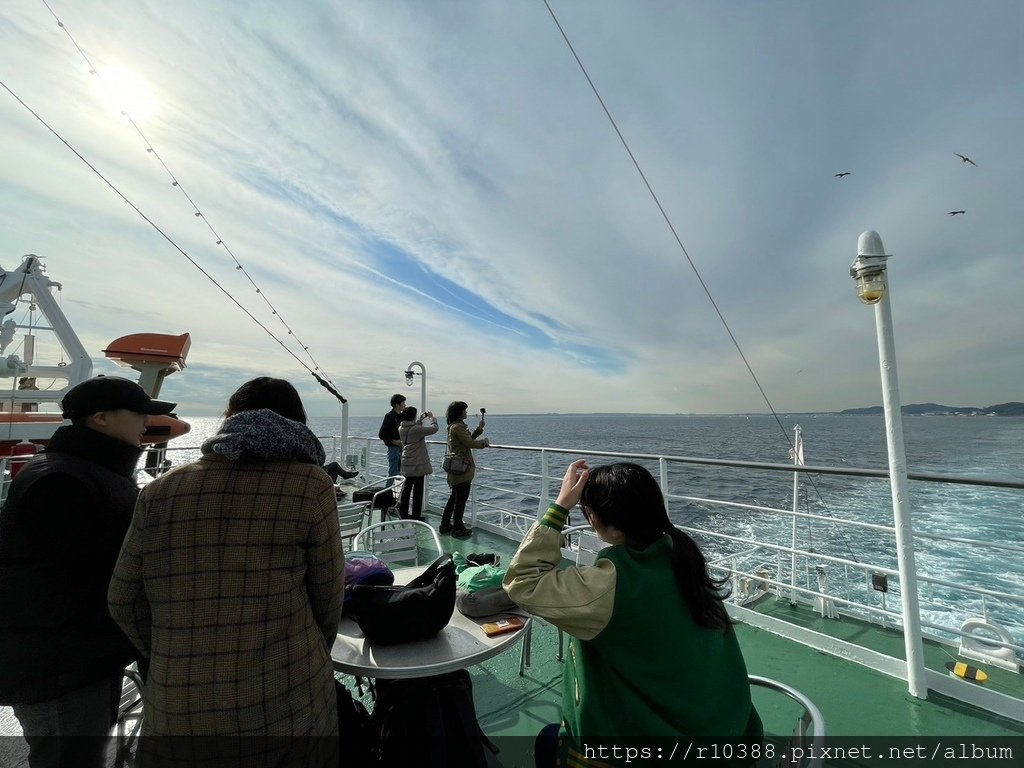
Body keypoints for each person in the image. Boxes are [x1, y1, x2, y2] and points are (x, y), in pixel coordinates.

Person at [107, 377, 344, 767]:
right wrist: (310, 649)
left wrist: (176, 648)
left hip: (179, 700)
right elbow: (328, 597)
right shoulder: (310, 486)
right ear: (299, 422)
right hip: (288, 693)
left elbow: (123, 599)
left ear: (230, 418)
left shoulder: (160, 491)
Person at [504, 460, 762, 767]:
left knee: (548, 741)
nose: (587, 516)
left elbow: (522, 582)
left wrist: (560, 506)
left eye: (589, 510)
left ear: (614, 529)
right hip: (728, 740)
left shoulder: (609, 585)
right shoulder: (684, 562)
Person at [0, 375, 176, 768]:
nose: (147, 423)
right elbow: (74, 576)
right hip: (59, 664)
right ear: (101, 418)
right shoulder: (61, 482)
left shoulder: (79, 471)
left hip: (79, 656)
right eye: (140, 414)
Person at [439, 401, 489, 538]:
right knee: (460, 500)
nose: (466, 413)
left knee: (454, 497)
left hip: (455, 467)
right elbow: (470, 443)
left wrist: (479, 430)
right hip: (462, 468)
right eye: (465, 410)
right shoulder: (458, 427)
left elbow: (466, 440)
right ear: (459, 412)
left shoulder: (453, 426)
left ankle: (445, 525)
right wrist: (484, 442)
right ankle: (458, 528)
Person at [397, 406, 438, 520]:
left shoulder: (401, 428)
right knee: (418, 490)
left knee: (406, 489)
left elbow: (415, 429)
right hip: (417, 463)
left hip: (406, 461)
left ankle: (403, 513)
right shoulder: (416, 429)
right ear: (412, 417)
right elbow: (434, 429)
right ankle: (416, 515)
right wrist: (432, 419)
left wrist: (419, 420)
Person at [378, 393, 406, 489]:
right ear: (397, 404)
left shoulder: (402, 416)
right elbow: (381, 434)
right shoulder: (389, 416)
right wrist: (394, 441)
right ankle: (386, 495)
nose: (404, 405)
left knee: (402, 474)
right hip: (394, 449)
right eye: (403, 403)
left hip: (402, 449)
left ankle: (398, 498)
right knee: (393, 473)